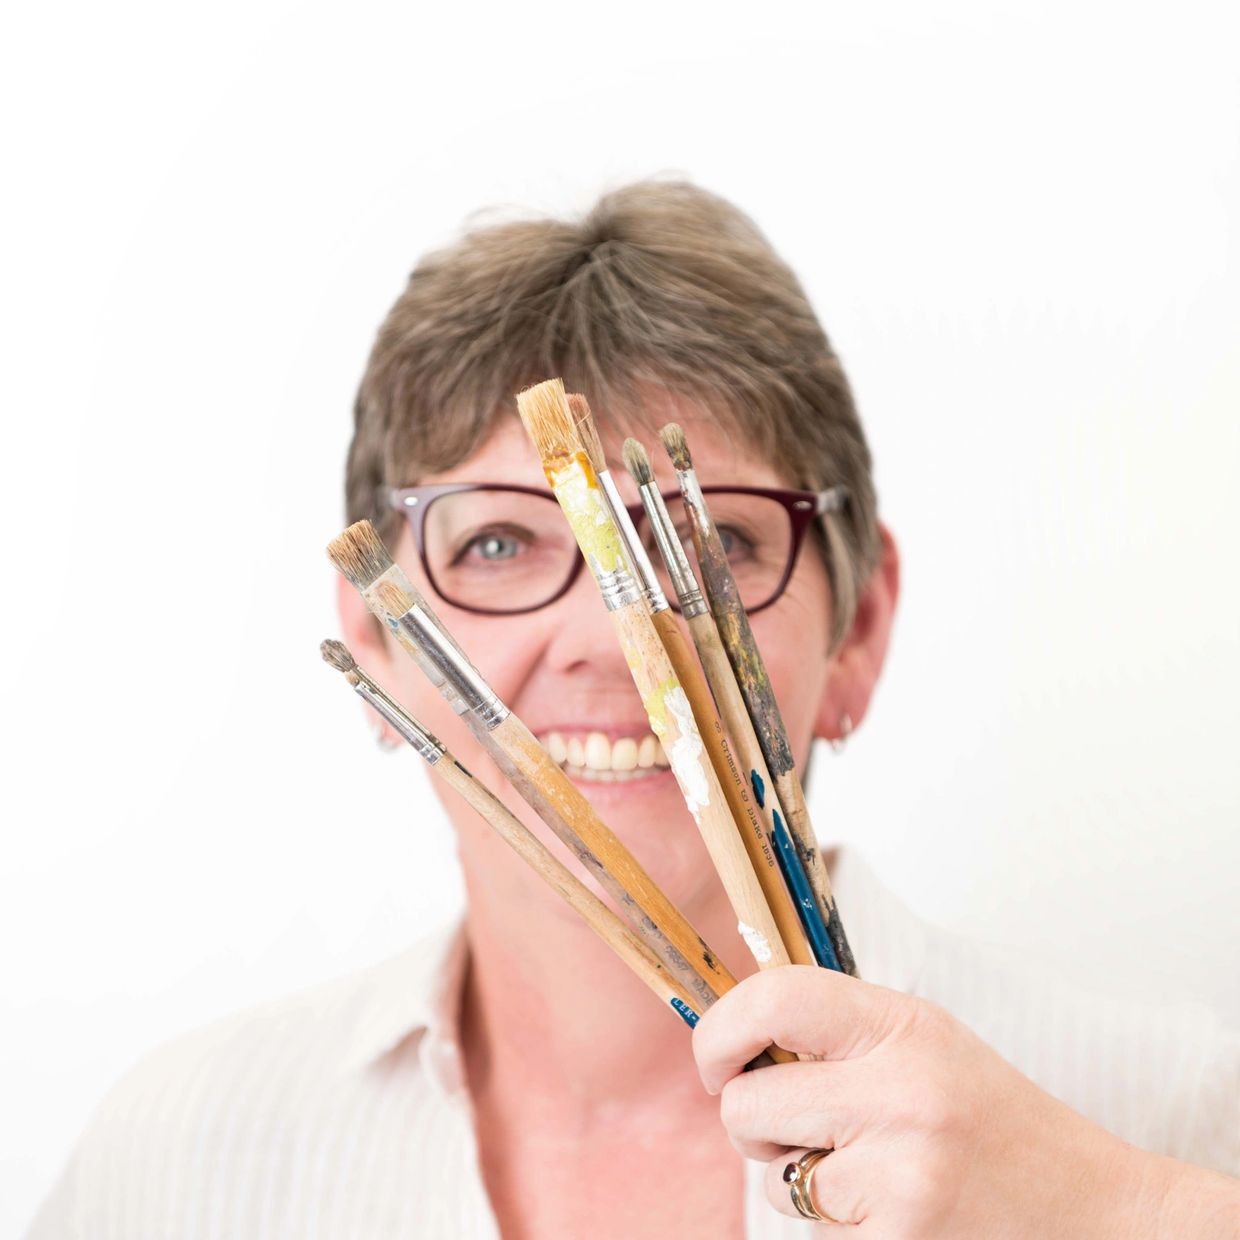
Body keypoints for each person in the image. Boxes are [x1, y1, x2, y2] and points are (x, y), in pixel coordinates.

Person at [28, 182, 1238, 1238]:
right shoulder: (170, 1154)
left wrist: (1128, 1217)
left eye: (703, 541)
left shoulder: (1174, 1115)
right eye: (496, 541)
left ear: (858, 629)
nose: (617, 640)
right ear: (375, 642)